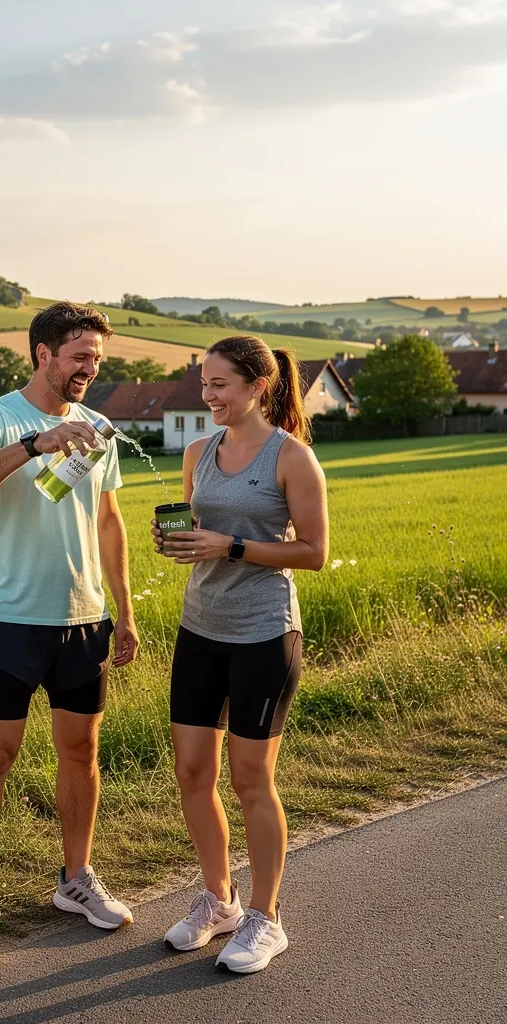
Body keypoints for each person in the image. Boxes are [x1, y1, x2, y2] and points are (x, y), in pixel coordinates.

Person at [0, 300, 140, 964]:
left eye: (97, 359)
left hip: (82, 619)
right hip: (10, 618)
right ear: (44, 355)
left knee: (81, 752)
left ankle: (75, 879)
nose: (90, 369)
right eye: (81, 356)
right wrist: (35, 444)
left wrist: (125, 610)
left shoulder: (98, 426)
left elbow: (108, 523)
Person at [152, 335, 328, 974]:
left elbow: (313, 552)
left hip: (264, 634)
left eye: (219, 385)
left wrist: (229, 546)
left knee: (252, 778)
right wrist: (177, 540)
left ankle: (266, 917)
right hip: (200, 628)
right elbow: (203, 531)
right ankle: (219, 901)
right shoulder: (198, 453)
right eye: (204, 384)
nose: (207, 396)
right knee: (194, 775)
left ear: (258, 386)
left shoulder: (293, 459)